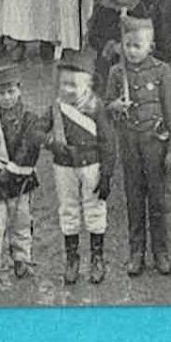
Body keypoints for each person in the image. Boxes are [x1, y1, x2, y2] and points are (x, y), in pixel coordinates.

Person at [106, 15, 171, 276]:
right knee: (134, 199)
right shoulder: (117, 73)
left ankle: (160, 251)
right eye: (127, 45)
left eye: (138, 45)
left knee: (158, 200)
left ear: (150, 45)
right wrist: (114, 106)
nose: (131, 50)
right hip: (129, 145)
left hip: (155, 145)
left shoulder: (162, 71)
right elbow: (107, 108)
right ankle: (136, 251)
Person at [0, 61, 48, 288]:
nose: (7, 97)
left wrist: (12, 169)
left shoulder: (29, 118)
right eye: (1, 93)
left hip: (19, 178)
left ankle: (21, 259)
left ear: (20, 89)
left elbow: (29, 147)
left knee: (21, 222)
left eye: (11, 91)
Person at [46, 50, 116, 284]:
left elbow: (108, 143)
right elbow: (36, 130)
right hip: (64, 166)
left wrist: (106, 174)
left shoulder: (97, 108)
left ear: (88, 84)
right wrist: (51, 143)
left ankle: (97, 258)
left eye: (74, 85)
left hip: (92, 166)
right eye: (64, 84)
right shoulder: (56, 108)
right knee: (68, 210)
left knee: (95, 209)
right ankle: (72, 259)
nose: (68, 90)